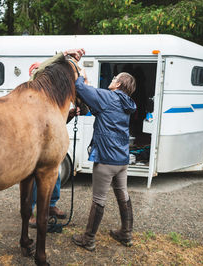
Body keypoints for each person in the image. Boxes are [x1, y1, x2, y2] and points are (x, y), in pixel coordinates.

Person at [72, 70, 137, 251]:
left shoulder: (108, 97)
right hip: (122, 160)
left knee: (99, 199)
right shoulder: (128, 103)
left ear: (118, 85)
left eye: (115, 78)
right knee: (123, 195)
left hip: (106, 159)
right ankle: (126, 233)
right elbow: (100, 109)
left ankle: (89, 239)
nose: (112, 79)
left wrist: (81, 75)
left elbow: (79, 88)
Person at [28, 48, 85, 227]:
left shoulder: (51, 97)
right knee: (33, 179)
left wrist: (69, 115)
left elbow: (55, 123)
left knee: (56, 175)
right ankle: (31, 212)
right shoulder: (30, 92)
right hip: (34, 144)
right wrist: (65, 54)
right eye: (40, 71)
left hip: (50, 143)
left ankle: (51, 205)